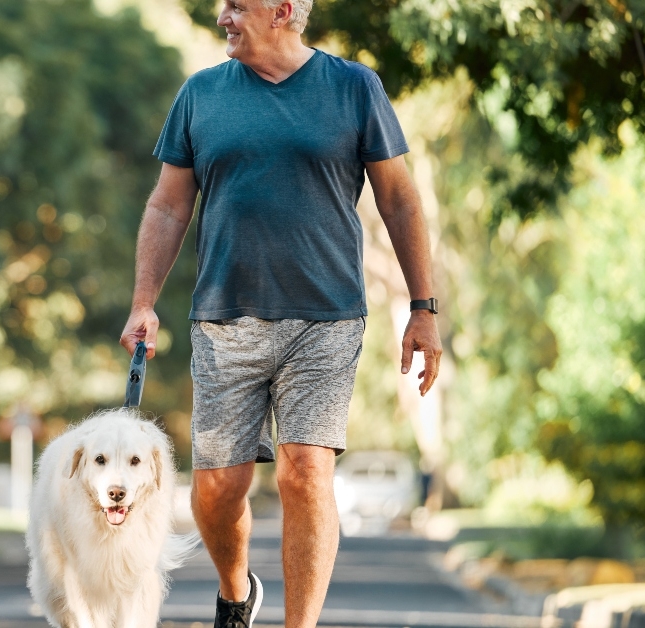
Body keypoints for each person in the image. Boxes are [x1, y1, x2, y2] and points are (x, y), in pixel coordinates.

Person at [118, 0, 443, 627]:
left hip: (326, 315)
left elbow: (399, 201)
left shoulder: (353, 87)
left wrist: (423, 307)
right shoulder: (201, 94)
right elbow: (166, 206)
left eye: (236, 5)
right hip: (224, 316)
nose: (222, 17)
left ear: (284, 11)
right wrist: (143, 302)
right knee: (216, 491)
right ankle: (236, 591)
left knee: (305, 473)